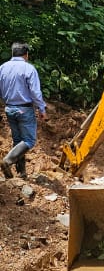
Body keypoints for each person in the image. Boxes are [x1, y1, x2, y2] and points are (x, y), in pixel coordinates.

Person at [0, 43, 47, 178]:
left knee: (18, 140)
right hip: (24, 109)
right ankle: (7, 161)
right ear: (26, 55)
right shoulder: (28, 68)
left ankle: (21, 173)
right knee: (29, 141)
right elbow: (35, 92)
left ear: (13, 53)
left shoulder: (2, 68)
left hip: (9, 108)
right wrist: (41, 108)